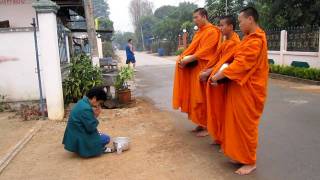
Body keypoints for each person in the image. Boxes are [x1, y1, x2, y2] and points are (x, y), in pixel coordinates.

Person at [210, 7, 269, 175]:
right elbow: (234, 59)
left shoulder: (256, 40)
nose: (240, 24)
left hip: (250, 91)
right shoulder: (248, 39)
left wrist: (218, 76)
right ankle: (239, 155)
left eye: (241, 21)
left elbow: (241, 64)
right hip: (240, 87)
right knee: (234, 123)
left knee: (245, 126)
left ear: (250, 19)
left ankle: (250, 161)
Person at [172, 8, 221, 137]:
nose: (194, 20)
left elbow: (205, 51)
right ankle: (200, 123)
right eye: (193, 18)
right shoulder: (199, 32)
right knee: (195, 97)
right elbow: (192, 48)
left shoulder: (212, 32)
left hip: (205, 68)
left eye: (196, 17)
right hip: (195, 68)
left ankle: (207, 126)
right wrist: (183, 57)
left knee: (203, 98)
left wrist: (189, 59)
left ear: (204, 16)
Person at [199, 15, 240, 145]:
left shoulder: (234, 43)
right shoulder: (225, 42)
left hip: (224, 82)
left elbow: (225, 63)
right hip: (218, 79)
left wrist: (209, 73)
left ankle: (224, 139)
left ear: (231, 27)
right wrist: (207, 71)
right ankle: (219, 136)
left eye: (222, 25)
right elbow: (217, 60)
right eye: (220, 25)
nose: (220, 28)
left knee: (223, 112)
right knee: (217, 111)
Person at [62, 87, 113, 158]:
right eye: (99, 102)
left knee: (101, 135)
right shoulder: (86, 108)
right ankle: (95, 149)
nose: (98, 105)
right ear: (94, 98)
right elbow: (91, 128)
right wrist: (96, 115)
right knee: (106, 138)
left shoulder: (82, 102)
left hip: (75, 134)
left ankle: (81, 148)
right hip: (80, 136)